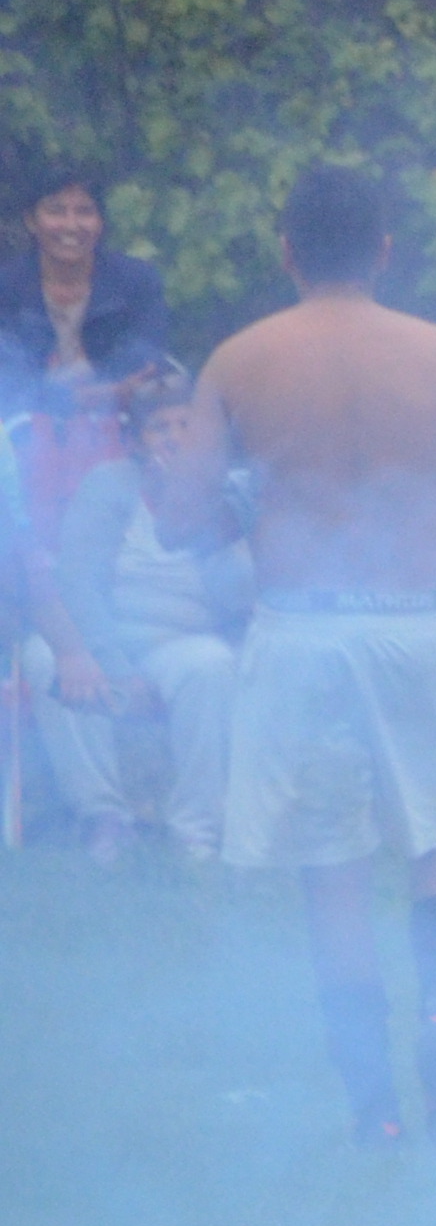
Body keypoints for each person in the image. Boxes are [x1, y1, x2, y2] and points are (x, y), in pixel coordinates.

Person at [199, 166, 436, 1141]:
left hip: (301, 628)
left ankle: (375, 1113)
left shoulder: (239, 359)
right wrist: (433, 480)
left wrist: (251, 487)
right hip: (411, 624)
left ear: (287, 251)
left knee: (333, 867)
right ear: (385, 250)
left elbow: (182, 519)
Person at [34, 364, 248, 865]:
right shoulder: (109, 484)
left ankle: (196, 832)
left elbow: (239, 597)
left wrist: (196, 503)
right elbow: (78, 582)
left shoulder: (228, 490)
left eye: (185, 425)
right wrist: (118, 666)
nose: (174, 437)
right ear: (135, 440)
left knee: (212, 667)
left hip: (185, 642)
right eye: (160, 427)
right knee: (44, 657)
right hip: (109, 641)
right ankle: (106, 819)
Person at [4, 163, 169, 417]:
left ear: (100, 222)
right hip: (24, 428)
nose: (71, 225)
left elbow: (145, 361)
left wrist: (102, 394)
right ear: (31, 221)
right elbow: (10, 382)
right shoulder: (7, 288)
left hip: (121, 422)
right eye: (56, 211)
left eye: (84, 211)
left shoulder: (137, 282)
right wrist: (74, 399)